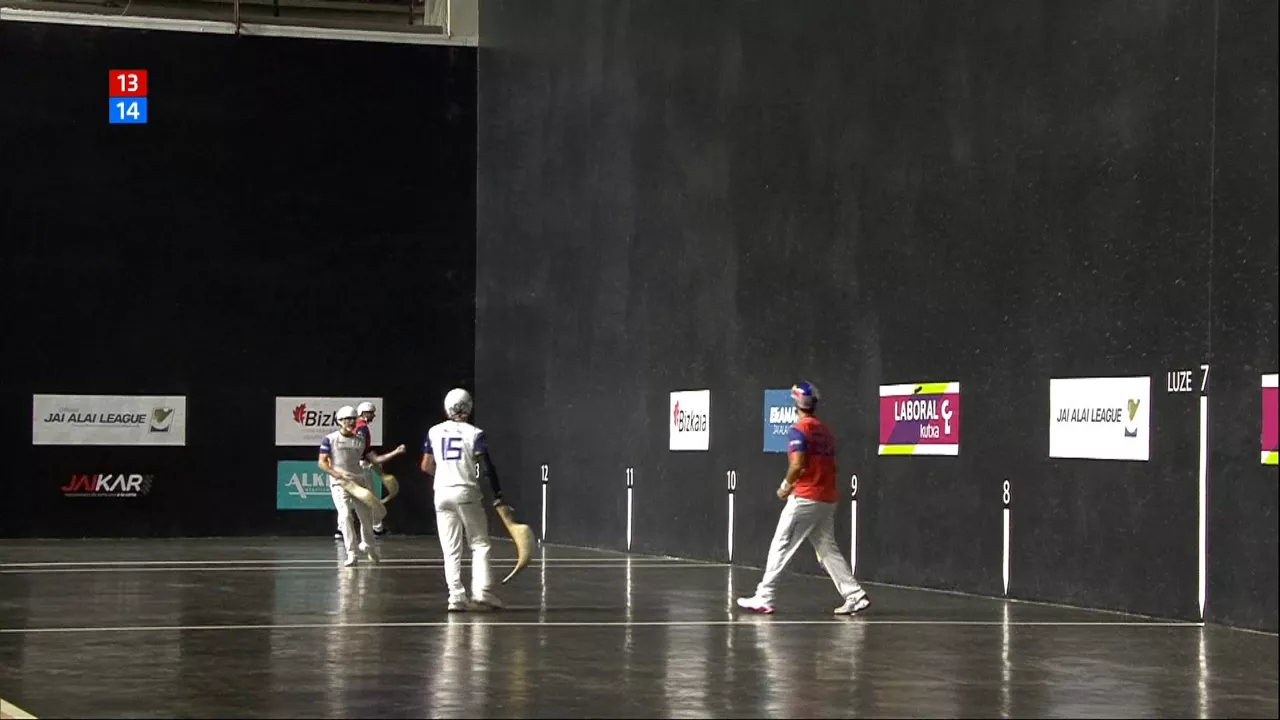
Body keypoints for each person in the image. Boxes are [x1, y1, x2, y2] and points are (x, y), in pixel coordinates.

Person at [737, 382, 870, 615]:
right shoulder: (825, 431)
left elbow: (798, 464)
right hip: (827, 499)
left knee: (781, 544)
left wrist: (785, 486)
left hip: (806, 498)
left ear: (796, 404)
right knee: (827, 549)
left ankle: (765, 596)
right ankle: (855, 595)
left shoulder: (799, 429)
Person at [420, 388, 505, 612]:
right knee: (479, 543)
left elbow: (426, 466)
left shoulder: (434, 432)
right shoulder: (475, 433)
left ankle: (455, 596)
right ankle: (482, 592)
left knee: (450, 549)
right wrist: (498, 495)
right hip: (466, 491)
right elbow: (486, 467)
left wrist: (444, 476)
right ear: (469, 407)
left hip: (441, 494)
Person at [319, 405, 405, 567]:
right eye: (347, 419)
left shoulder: (360, 441)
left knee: (366, 518)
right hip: (339, 484)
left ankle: (369, 547)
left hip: (359, 483)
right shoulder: (329, 439)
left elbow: (376, 460)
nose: (351, 422)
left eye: (353, 419)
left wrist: (396, 452)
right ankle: (351, 553)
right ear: (340, 421)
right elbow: (322, 462)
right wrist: (336, 474)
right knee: (345, 516)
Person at [354, 401, 390, 536]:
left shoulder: (353, 425)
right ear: (364, 413)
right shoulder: (362, 427)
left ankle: (341, 528)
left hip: (352, 465)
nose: (374, 416)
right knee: (371, 497)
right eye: (371, 413)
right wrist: (371, 460)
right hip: (362, 466)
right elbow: (361, 448)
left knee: (349, 497)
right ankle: (377, 527)